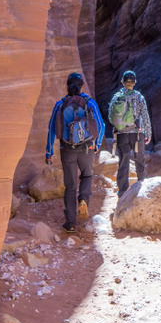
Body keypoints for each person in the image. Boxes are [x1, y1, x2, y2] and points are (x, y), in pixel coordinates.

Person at [46, 72, 105, 233]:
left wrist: (49, 151)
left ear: (67, 86)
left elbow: (52, 129)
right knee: (86, 176)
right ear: (82, 86)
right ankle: (84, 200)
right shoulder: (89, 103)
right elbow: (101, 125)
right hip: (87, 148)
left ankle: (70, 223)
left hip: (67, 150)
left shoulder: (60, 104)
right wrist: (98, 143)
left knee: (70, 186)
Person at [109, 70, 152, 197]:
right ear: (134, 82)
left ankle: (122, 192)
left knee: (123, 162)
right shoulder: (139, 97)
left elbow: (111, 117)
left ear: (122, 82)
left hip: (121, 134)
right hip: (137, 134)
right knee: (139, 161)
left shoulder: (116, 97)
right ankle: (142, 189)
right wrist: (148, 133)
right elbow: (145, 116)